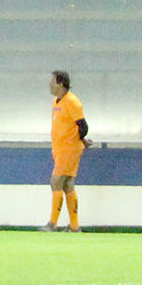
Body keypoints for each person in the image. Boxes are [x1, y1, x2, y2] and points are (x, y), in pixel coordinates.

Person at [45, 70, 87, 232]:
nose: (50, 84)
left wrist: (79, 140)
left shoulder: (72, 102)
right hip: (60, 149)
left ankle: (52, 224)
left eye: (52, 81)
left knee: (55, 181)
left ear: (61, 83)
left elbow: (83, 126)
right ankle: (75, 226)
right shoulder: (57, 101)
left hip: (68, 149)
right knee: (68, 184)